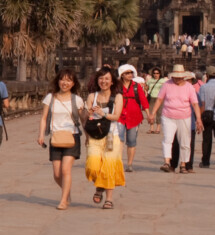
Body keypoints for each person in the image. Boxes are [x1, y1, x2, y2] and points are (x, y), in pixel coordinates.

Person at [37, 68, 85, 209]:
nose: (65, 83)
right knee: (57, 174)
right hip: (56, 137)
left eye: (68, 80)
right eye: (62, 79)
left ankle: (63, 200)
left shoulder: (77, 100)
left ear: (73, 83)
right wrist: (41, 134)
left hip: (72, 136)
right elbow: (44, 118)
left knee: (65, 170)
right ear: (58, 81)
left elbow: (83, 120)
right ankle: (66, 192)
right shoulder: (50, 98)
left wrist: (89, 136)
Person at [84, 66, 126, 209]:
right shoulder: (92, 96)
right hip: (95, 136)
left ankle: (109, 199)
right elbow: (86, 118)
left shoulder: (117, 97)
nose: (104, 81)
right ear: (97, 80)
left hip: (111, 136)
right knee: (92, 166)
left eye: (107, 78)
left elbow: (116, 116)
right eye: (101, 78)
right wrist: (89, 112)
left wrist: (103, 114)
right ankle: (99, 185)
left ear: (112, 81)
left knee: (109, 166)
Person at [149, 64, 202, 173]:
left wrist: (198, 119)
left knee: (185, 141)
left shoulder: (189, 87)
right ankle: (166, 162)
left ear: (184, 77)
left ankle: (183, 164)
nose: (177, 79)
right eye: (175, 77)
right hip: (168, 116)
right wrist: (152, 113)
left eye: (180, 77)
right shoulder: (167, 85)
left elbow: (195, 104)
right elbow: (159, 99)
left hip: (184, 117)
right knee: (167, 139)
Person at [115, 65, 148, 172]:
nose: (130, 75)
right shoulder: (117, 86)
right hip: (119, 115)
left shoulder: (136, 86)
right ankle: (118, 162)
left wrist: (149, 114)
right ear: (122, 75)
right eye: (127, 73)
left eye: (131, 73)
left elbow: (143, 100)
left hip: (134, 116)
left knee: (131, 141)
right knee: (119, 139)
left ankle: (129, 164)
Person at [144, 67, 167, 132]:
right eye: (154, 73)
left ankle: (158, 128)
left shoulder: (163, 80)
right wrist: (145, 88)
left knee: (159, 113)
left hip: (160, 98)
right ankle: (151, 127)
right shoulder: (150, 80)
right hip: (152, 97)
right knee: (151, 113)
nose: (155, 74)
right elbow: (146, 87)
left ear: (160, 74)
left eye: (157, 73)